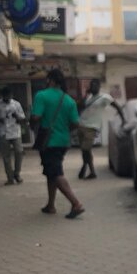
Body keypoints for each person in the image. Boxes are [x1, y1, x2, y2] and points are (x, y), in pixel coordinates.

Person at [31, 68, 84, 219]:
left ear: (51, 80)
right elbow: (75, 123)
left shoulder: (41, 96)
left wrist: (30, 121)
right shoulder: (69, 100)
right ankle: (51, 205)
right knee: (51, 172)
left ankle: (76, 203)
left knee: (55, 173)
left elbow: (36, 117)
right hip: (63, 141)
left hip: (49, 142)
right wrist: (63, 129)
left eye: (47, 79)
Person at [77, 78, 124, 180]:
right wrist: (85, 94)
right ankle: (91, 171)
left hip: (92, 127)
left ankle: (86, 167)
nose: (93, 87)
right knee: (84, 151)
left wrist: (123, 120)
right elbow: (80, 106)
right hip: (81, 125)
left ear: (99, 86)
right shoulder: (89, 97)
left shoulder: (105, 97)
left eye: (95, 85)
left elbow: (117, 107)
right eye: (91, 85)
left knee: (86, 149)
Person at [0, 86, 25, 185]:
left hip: (15, 132)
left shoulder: (16, 104)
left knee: (19, 152)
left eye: (9, 96)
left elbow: (22, 118)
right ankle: (10, 177)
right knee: (6, 156)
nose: (8, 98)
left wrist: (17, 117)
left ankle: (17, 173)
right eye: (6, 96)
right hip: (3, 132)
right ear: (2, 96)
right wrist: (0, 119)